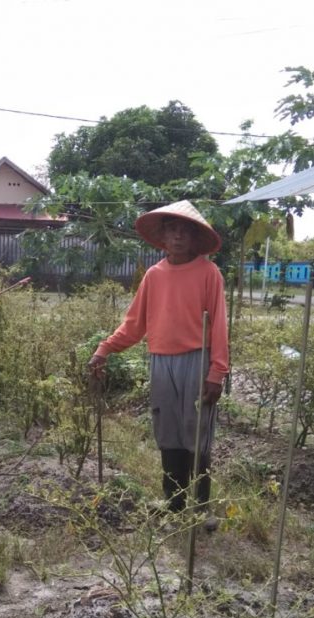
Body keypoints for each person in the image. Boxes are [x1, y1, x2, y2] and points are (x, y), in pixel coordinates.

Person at [88, 201, 229, 523]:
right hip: (161, 361)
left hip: (197, 359)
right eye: (172, 230)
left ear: (195, 238)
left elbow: (219, 324)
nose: (178, 236)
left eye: (185, 230)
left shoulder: (209, 273)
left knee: (196, 432)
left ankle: (202, 506)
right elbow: (134, 323)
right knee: (167, 430)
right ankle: (174, 501)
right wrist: (105, 349)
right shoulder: (154, 275)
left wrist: (217, 372)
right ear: (163, 236)